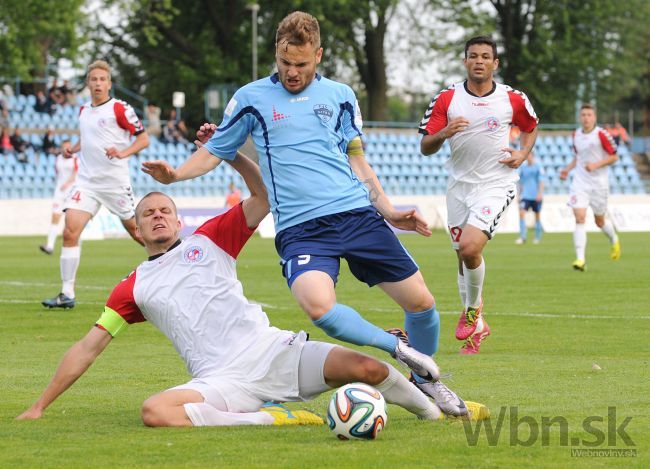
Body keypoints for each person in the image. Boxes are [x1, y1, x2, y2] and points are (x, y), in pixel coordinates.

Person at [142, 11, 473, 418]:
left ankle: (428, 381)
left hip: (355, 214)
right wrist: (175, 175)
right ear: (276, 55)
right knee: (319, 308)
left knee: (423, 305)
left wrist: (387, 210)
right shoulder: (251, 98)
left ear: (318, 54)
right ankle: (397, 348)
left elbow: (358, 160)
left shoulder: (340, 95)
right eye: (285, 63)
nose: (292, 72)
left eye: (301, 64)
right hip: (301, 228)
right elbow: (214, 152)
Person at [16, 154, 489, 426]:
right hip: (222, 380)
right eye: (147, 215)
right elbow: (88, 347)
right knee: (155, 412)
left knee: (366, 367)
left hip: (273, 350)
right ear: (136, 231)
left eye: (164, 210)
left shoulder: (211, 238)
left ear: (179, 220)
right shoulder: (132, 288)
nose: (157, 216)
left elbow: (262, 198)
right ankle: (276, 419)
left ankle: (435, 412)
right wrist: (38, 407)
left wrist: (231, 154)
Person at [419, 36, 539, 354]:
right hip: (459, 187)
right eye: (473, 56)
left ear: (495, 63)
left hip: (496, 183)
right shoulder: (447, 99)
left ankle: (472, 311)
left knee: (471, 247)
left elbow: (531, 126)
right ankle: (478, 325)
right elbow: (425, 146)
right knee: (462, 255)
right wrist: (444, 133)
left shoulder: (512, 99)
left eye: (486, 56)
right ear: (465, 61)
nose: (479, 61)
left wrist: (522, 154)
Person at [41, 60, 150, 309]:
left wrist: (123, 153)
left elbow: (143, 139)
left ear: (109, 83)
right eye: (94, 79)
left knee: (137, 233)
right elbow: (87, 138)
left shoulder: (120, 109)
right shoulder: (84, 111)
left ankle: (175, 261)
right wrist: (73, 148)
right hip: (87, 183)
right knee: (70, 231)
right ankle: (66, 293)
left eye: (102, 79)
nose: (98, 83)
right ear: (88, 84)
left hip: (114, 183)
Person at [559, 104, 620, 271]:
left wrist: (596, 165)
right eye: (583, 114)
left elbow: (614, 157)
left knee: (599, 221)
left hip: (599, 184)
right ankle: (580, 259)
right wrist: (567, 170)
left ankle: (614, 239)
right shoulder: (576, 134)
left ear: (594, 117)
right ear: (580, 117)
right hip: (580, 182)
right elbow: (578, 157)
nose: (586, 117)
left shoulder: (602, 134)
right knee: (579, 217)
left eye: (589, 115)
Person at [39, 140, 79, 255]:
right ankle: (50, 246)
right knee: (55, 217)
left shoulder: (75, 159)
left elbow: (77, 173)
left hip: (71, 192)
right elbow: (58, 174)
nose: (66, 149)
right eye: (64, 147)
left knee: (70, 221)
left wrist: (68, 183)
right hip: (59, 192)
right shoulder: (58, 159)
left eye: (68, 147)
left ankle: (72, 246)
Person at [515, 152, 544, 244]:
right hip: (525, 196)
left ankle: (537, 237)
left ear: (533, 156)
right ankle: (523, 237)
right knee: (521, 213)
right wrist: (519, 195)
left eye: (530, 156)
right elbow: (520, 183)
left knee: (537, 216)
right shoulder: (523, 168)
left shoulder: (538, 167)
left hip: (536, 196)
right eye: (527, 156)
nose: (528, 158)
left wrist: (540, 193)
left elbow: (541, 181)